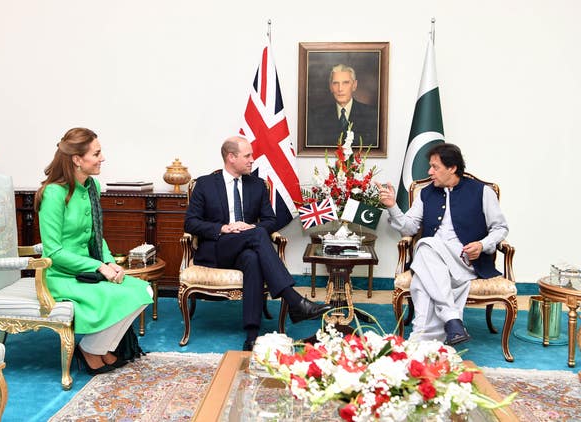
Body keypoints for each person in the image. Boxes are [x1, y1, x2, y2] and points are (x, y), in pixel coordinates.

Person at [184, 136, 332, 351]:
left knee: (253, 257)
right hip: (217, 249)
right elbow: (190, 223)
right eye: (248, 156)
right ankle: (294, 300)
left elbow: (271, 220)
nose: (252, 160)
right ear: (231, 157)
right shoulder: (205, 184)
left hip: (247, 248)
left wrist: (250, 228)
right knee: (258, 236)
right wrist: (223, 228)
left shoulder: (257, 185)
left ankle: (252, 335)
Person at [34, 127, 153, 374]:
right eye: (96, 153)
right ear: (77, 160)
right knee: (118, 296)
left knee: (143, 289)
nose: (103, 158)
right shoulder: (53, 194)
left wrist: (110, 262)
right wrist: (98, 266)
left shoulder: (92, 187)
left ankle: (97, 347)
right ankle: (91, 349)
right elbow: (53, 253)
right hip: (61, 277)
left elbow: (96, 236)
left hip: (89, 271)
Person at [376, 143, 508, 345]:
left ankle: (437, 328)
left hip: (465, 260)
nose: (430, 172)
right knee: (424, 268)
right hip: (433, 262)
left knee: (425, 248)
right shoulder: (426, 193)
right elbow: (409, 228)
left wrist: (482, 245)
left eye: (435, 167)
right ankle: (444, 326)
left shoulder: (482, 192)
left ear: (452, 168)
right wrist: (392, 206)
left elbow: (500, 228)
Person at [307, 64, 378, 147]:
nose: (340, 89)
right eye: (335, 83)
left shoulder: (371, 115)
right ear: (331, 87)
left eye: (345, 83)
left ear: (354, 85)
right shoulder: (316, 116)